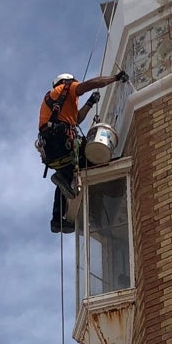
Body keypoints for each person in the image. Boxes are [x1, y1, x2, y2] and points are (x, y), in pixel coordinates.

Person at [38, 70, 127, 233]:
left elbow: (76, 120)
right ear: (67, 82)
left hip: (53, 152)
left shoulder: (56, 103)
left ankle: (57, 220)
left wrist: (90, 103)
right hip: (62, 143)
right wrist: (115, 78)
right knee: (93, 164)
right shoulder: (65, 88)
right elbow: (89, 85)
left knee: (64, 179)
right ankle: (106, 198)